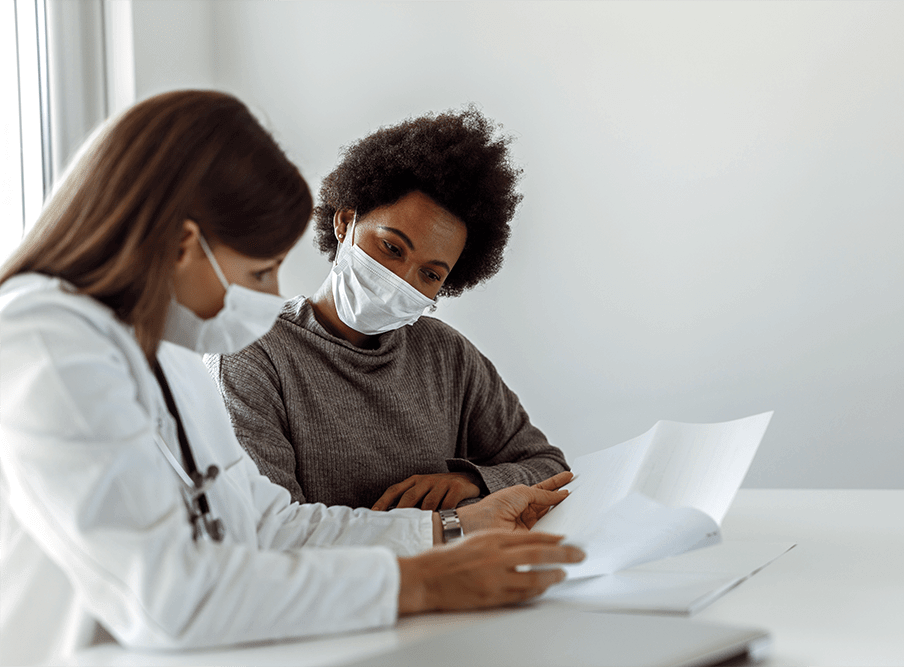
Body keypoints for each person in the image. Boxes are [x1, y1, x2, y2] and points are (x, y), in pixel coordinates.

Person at [0, 91, 584, 667]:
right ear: (183, 245)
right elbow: (168, 599)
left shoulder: (167, 349)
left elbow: (268, 525)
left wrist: (448, 528)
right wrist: (420, 582)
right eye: (259, 270)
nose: (270, 297)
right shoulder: (48, 344)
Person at [209, 108, 569, 512]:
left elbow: (549, 467)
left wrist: (472, 481)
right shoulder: (250, 353)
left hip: (454, 574)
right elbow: (270, 532)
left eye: (430, 274)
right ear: (345, 222)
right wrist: (443, 528)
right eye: (392, 248)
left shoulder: (447, 356)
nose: (401, 279)